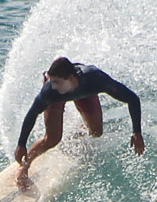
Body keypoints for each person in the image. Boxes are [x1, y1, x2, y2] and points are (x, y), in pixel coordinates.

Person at [15, 56, 144, 188]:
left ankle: (73, 135)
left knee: (96, 132)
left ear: (71, 78)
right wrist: (21, 144)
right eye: (51, 81)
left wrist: (137, 132)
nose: (53, 86)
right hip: (58, 98)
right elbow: (32, 114)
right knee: (52, 139)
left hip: (84, 92)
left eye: (57, 82)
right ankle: (24, 167)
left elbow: (132, 98)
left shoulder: (96, 79)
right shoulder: (50, 91)